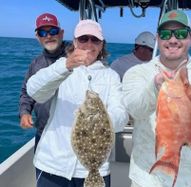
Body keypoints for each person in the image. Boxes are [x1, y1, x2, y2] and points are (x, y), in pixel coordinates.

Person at [122, 10, 191, 187]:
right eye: (165, 34)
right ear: (157, 38)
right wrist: (154, 87)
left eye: (181, 33)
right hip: (146, 176)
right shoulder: (137, 73)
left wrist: (188, 107)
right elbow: (135, 110)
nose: (173, 39)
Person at [26, 19, 129, 187]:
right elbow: (34, 91)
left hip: (95, 169)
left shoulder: (111, 76)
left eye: (94, 40)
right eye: (83, 39)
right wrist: (66, 66)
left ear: (101, 44)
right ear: (74, 42)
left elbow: (121, 116)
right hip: (53, 165)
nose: (89, 44)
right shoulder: (60, 67)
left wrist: (102, 119)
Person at [19, 13, 70, 150]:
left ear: (61, 33)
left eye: (53, 31)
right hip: (44, 132)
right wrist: (25, 112)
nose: (48, 36)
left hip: (71, 133)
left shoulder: (76, 57)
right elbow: (26, 92)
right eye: (43, 32)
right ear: (37, 37)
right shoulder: (35, 64)